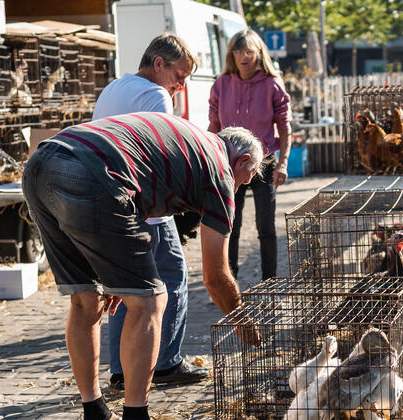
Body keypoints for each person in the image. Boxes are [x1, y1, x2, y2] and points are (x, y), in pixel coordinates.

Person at [22, 112, 263, 420]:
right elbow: (215, 277)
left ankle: (93, 409)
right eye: (249, 178)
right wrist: (242, 321)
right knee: (150, 302)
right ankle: (137, 414)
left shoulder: (191, 140)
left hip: (41, 163)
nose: (242, 187)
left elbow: (136, 197)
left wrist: (116, 274)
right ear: (242, 161)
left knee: (86, 298)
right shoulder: (220, 172)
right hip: (92, 174)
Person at [92, 33, 208, 391]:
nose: (181, 84)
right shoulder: (155, 95)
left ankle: (122, 371)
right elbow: (160, 151)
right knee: (172, 277)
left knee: (125, 287)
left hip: (110, 200)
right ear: (159, 64)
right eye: (180, 75)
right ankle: (167, 362)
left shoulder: (114, 87)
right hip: (146, 205)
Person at [208, 29, 292, 280]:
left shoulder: (272, 84)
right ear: (231, 55)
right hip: (228, 163)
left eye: (248, 51)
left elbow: (285, 128)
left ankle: (269, 282)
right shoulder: (221, 84)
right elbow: (213, 126)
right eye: (238, 51)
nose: (243, 56)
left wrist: (283, 164)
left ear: (258, 54)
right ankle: (227, 279)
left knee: (266, 226)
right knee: (230, 225)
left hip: (264, 162)